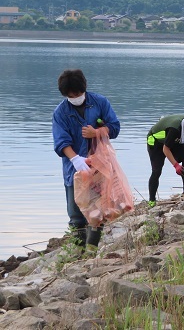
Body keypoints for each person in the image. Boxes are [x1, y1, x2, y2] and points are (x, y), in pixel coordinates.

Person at [52, 69, 120, 250]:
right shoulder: (60, 112)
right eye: (70, 95)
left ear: (84, 89)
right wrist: (75, 159)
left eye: (78, 94)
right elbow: (61, 141)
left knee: (98, 210)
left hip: (100, 166)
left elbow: (115, 127)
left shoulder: (99, 103)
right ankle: (78, 250)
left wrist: (97, 132)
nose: (75, 97)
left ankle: (92, 250)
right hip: (74, 169)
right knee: (76, 214)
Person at [147, 114, 184, 207]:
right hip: (156, 143)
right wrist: (176, 165)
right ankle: (151, 200)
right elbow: (165, 149)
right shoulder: (175, 130)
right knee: (157, 171)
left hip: (172, 140)